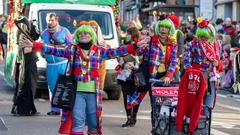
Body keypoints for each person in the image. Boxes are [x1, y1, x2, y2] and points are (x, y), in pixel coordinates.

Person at [19, 24, 148, 135]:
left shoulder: (98, 51)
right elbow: (54, 49)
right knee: (78, 120)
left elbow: (117, 51)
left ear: (92, 36)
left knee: (93, 122)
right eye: (81, 33)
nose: (84, 35)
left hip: (93, 93)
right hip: (77, 93)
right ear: (78, 36)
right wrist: (35, 45)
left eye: (87, 33)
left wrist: (135, 46)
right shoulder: (72, 49)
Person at [182, 19, 223, 119]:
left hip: (211, 79)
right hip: (196, 77)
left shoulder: (216, 45)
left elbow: (222, 63)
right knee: (195, 104)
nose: (203, 39)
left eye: (206, 37)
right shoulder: (192, 44)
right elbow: (185, 59)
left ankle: (205, 128)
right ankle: (194, 126)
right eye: (201, 36)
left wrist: (217, 64)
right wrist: (190, 72)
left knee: (208, 107)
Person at [41, 12, 72, 115]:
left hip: (63, 64)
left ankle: (66, 109)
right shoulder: (44, 33)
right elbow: (42, 48)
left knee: (64, 86)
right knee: (52, 88)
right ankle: (55, 109)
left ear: (56, 20)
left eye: (52, 20)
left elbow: (71, 46)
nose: (50, 22)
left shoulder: (64, 31)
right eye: (48, 21)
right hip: (51, 65)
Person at [11, 16, 40, 116]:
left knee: (28, 86)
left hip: (29, 63)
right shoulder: (25, 36)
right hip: (28, 63)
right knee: (27, 86)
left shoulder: (27, 35)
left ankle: (30, 108)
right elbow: (27, 50)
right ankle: (20, 108)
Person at [117, 27, 141, 127]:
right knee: (126, 96)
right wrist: (123, 65)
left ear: (134, 35)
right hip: (125, 74)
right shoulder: (123, 45)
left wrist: (135, 64)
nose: (127, 36)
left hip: (137, 74)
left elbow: (142, 58)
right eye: (127, 34)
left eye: (129, 34)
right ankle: (129, 118)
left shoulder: (140, 45)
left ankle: (134, 117)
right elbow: (118, 56)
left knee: (135, 96)